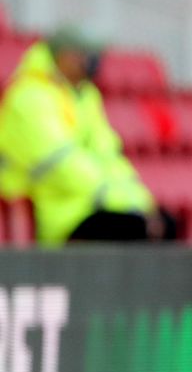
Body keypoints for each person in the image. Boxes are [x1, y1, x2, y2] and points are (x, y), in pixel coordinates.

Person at [0, 26, 176, 245]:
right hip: (58, 212)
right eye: (86, 54)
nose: (94, 61)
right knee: (136, 229)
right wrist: (117, 200)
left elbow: (108, 154)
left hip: (94, 205)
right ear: (64, 55)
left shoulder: (85, 96)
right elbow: (59, 164)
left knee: (167, 223)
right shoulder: (29, 96)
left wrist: (140, 203)